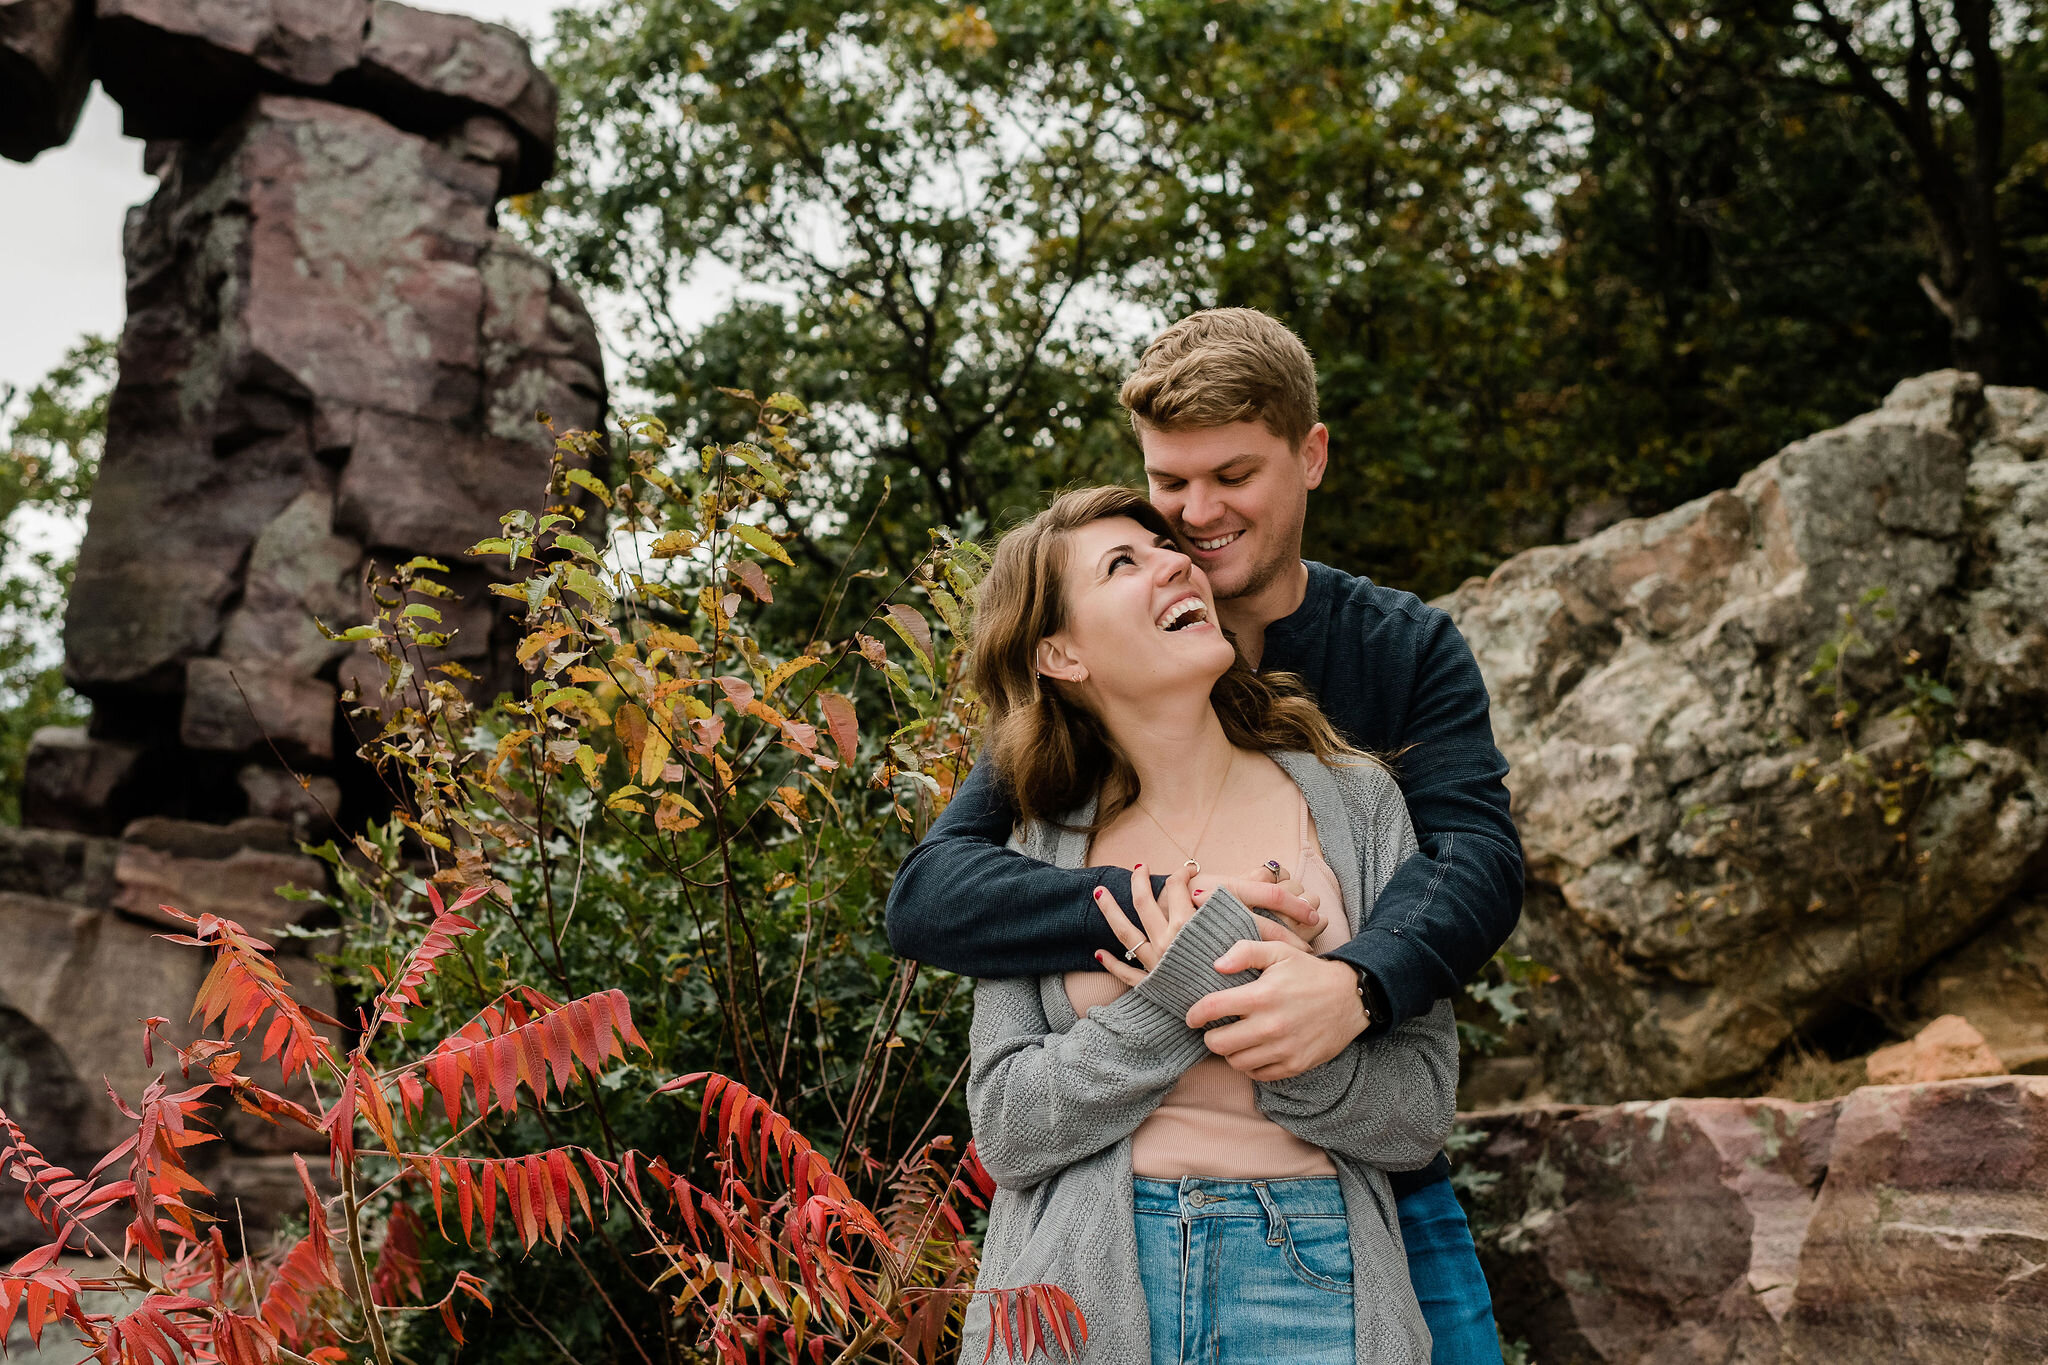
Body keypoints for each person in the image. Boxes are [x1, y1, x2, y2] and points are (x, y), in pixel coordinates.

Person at [890, 309, 1521, 1361]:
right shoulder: (1076, 751)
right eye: (1167, 485)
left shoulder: (1395, 660)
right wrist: (1183, 921)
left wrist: (1353, 983)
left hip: (1360, 1198)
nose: (1192, 518)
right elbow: (935, 896)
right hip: (1099, 1236)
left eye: (1229, 476)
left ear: (1309, 456)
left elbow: (1474, 861)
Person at [959, 486, 1457, 1364]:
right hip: (1084, 1285)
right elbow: (1007, 1127)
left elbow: (1417, 1111)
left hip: (1315, 1277)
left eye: (1165, 550)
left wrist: (1272, 1026)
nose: (1176, 561)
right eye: (1124, 564)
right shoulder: (1036, 843)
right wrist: (1172, 999)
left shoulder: (1354, 802)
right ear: (1061, 653)